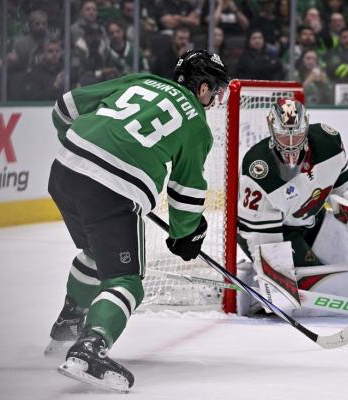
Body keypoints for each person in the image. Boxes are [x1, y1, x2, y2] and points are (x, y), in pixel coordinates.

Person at [45, 49, 229, 393]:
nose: (216, 97)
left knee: (95, 252)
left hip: (64, 170)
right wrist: (186, 235)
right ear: (201, 88)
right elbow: (186, 193)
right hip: (111, 190)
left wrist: (82, 148)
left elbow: (65, 107)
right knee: (126, 281)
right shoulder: (197, 124)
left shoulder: (142, 81)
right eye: (215, 89)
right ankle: (90, 346)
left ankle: (69, 320)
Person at [236, 99, 348, 317]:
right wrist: (275, 277)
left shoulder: (329, 142)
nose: (290, 144)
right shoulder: (260, 168)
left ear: (306, 128)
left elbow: (345, 184)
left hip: (311, 219)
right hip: (272, 232)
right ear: (271, 129)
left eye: (296, 135)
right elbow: (261, 236)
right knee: (319, 284)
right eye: (283, 135)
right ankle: (252, 290)